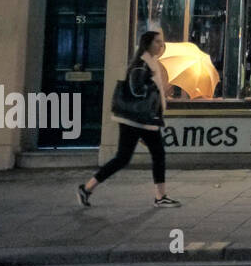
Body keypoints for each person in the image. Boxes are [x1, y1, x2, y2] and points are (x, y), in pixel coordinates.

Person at [77, 30, 180, 208]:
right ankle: (160, 197)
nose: (160, 45)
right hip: (139, 120)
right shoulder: (142, 65)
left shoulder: (151, 63)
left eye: (161, 42)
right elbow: (137, 89)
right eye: (157, 42)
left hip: (141, 120)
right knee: (146, 155)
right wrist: (157, 88)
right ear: (147, 44)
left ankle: (88, 188)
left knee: (128, 157)